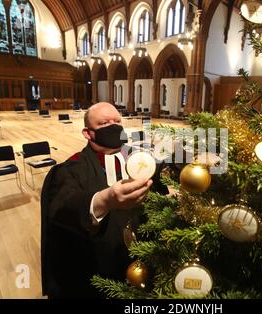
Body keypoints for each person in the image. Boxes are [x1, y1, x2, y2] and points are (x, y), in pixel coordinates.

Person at [40, 102, 168, 298]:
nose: (113, 126)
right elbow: (63, 208)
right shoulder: (70, 170)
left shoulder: (142, 160)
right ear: (87, 133)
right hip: (98, 270)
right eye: (104, 123)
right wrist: (105, 200)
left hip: (148, 261)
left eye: (117, 121)